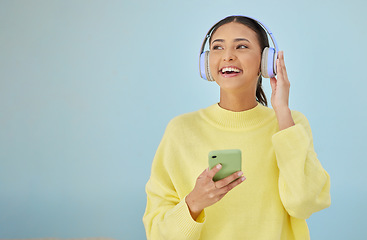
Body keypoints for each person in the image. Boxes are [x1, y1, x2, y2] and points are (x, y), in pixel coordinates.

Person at [143, 15, 331, 240]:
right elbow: (157, 234)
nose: (228, 56)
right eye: (217, 47)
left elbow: (304, 204)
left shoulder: (291, 124)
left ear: (266, 61)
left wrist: (282, 110)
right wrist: (194, 203)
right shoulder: (181, 130)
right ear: (207, 62)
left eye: (241, 46)